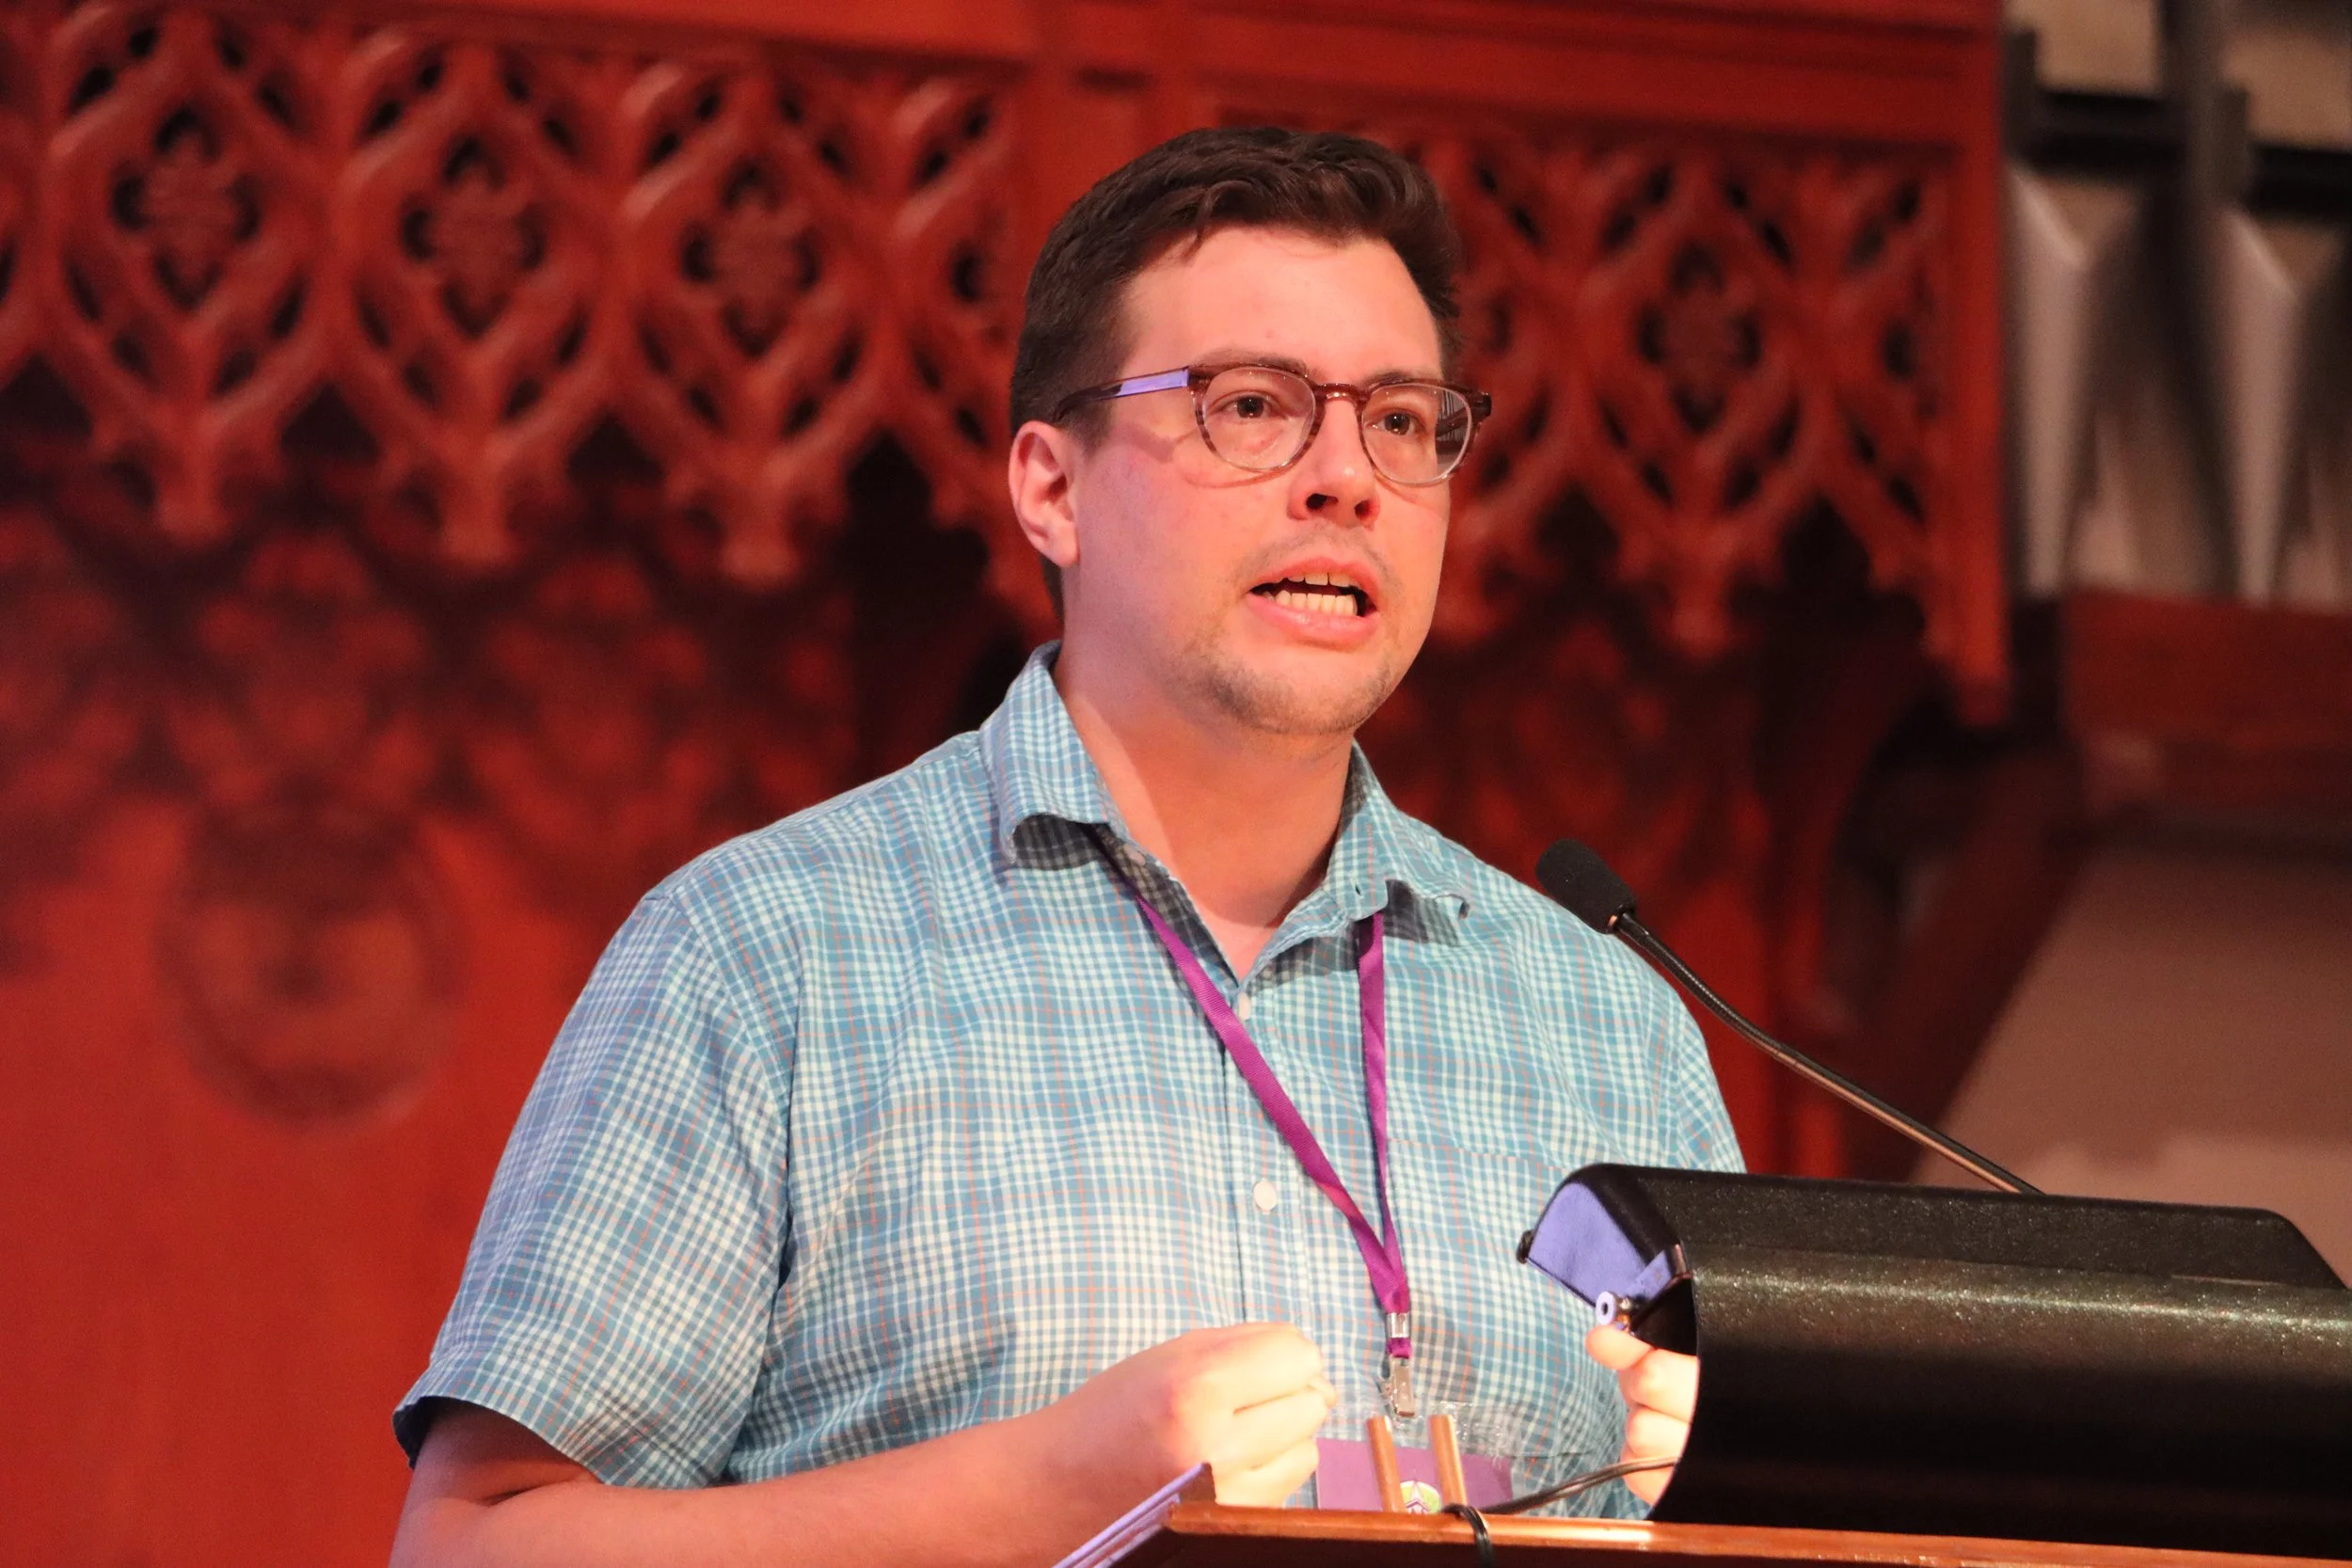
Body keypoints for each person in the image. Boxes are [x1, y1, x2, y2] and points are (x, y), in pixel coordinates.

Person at [389, 126, 1739, 1568]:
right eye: (1251, 405)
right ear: (1051, 487)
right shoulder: (769, 954)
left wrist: (1721, 1495)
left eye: (1403, 421)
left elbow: (1772, 1521)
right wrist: (1044, 1485)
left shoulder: (1605, 1022)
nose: (1349, 476)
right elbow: (477, 1544)